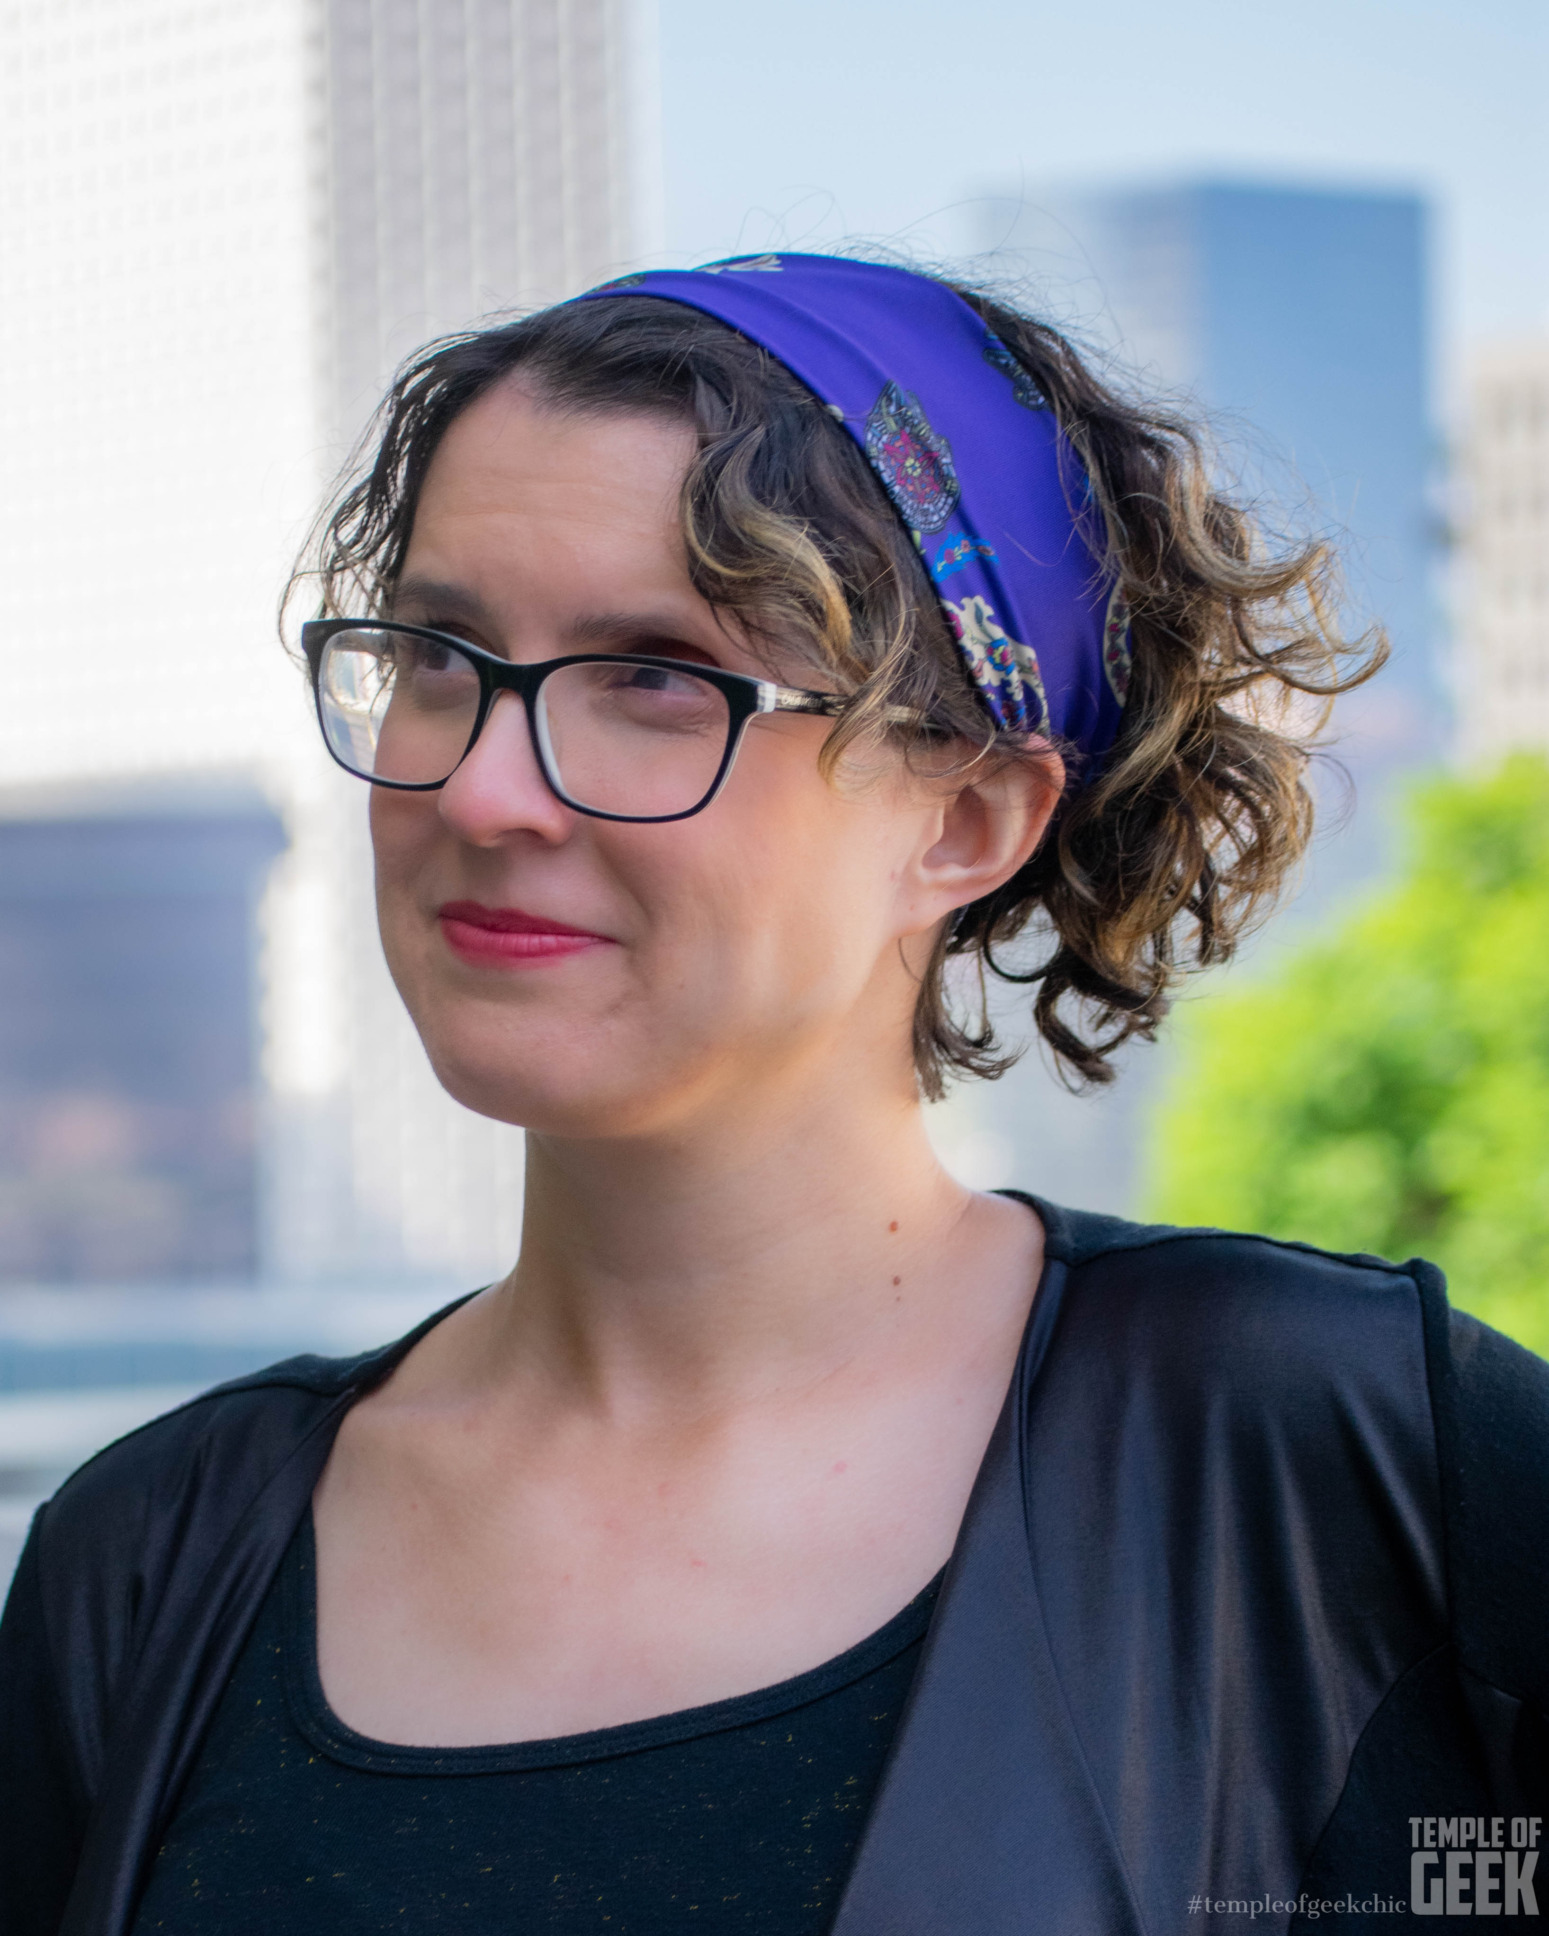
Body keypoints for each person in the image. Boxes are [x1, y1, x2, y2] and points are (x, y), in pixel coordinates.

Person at [2, 254, 1545, 1936]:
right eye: (440, 654)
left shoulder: (1334, 1449)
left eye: (659, 677)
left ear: (960, 821)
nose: (487, 785)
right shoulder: (153, 1557)